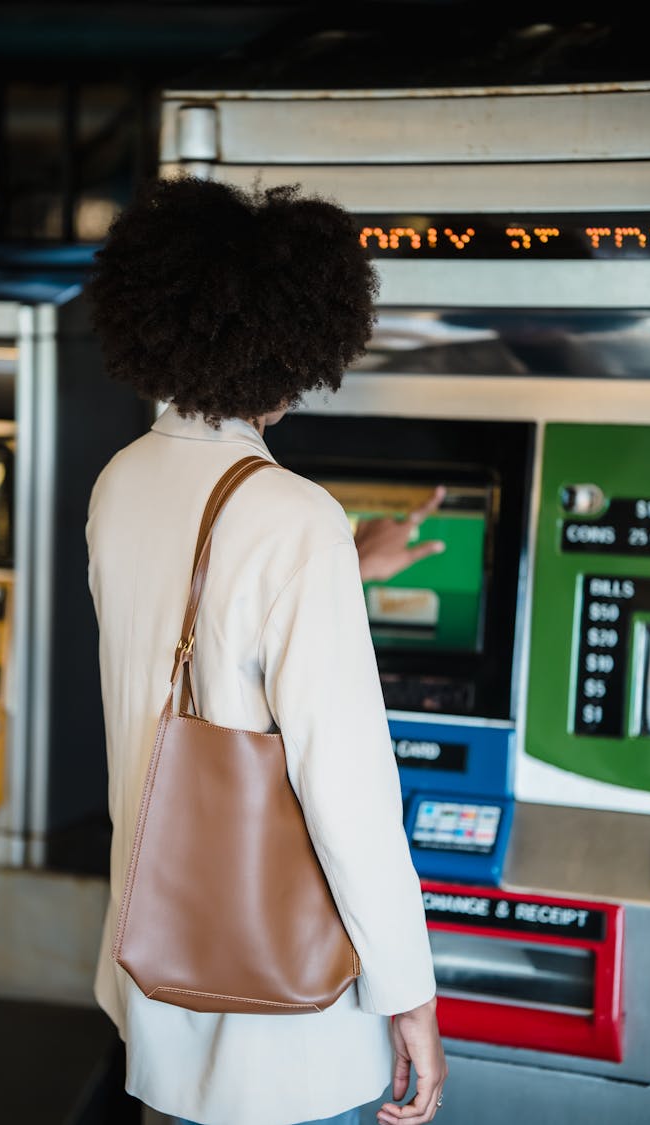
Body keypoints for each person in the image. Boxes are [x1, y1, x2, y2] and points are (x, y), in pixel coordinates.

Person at [84, 174, 448, 1125]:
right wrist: (408, 989)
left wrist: (349, 568)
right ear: (293, 349)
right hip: (285, 1021)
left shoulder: (120, 482)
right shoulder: (294, 518)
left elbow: (190, 633)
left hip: (159, 967)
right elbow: (349, 788)